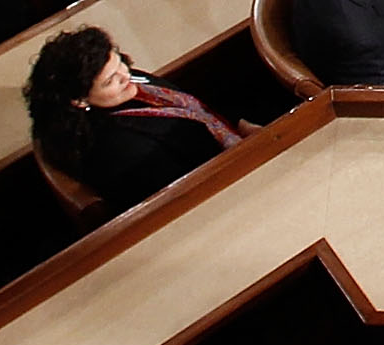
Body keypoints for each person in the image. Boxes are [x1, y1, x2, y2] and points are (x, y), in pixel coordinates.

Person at [24, 25, 251, 215]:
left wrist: (241, 125)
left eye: (119, 62)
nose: (126, 74)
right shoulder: (124, 152)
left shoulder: (127, 83)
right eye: (110, 80)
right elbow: (189, 198)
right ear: (79, 100)